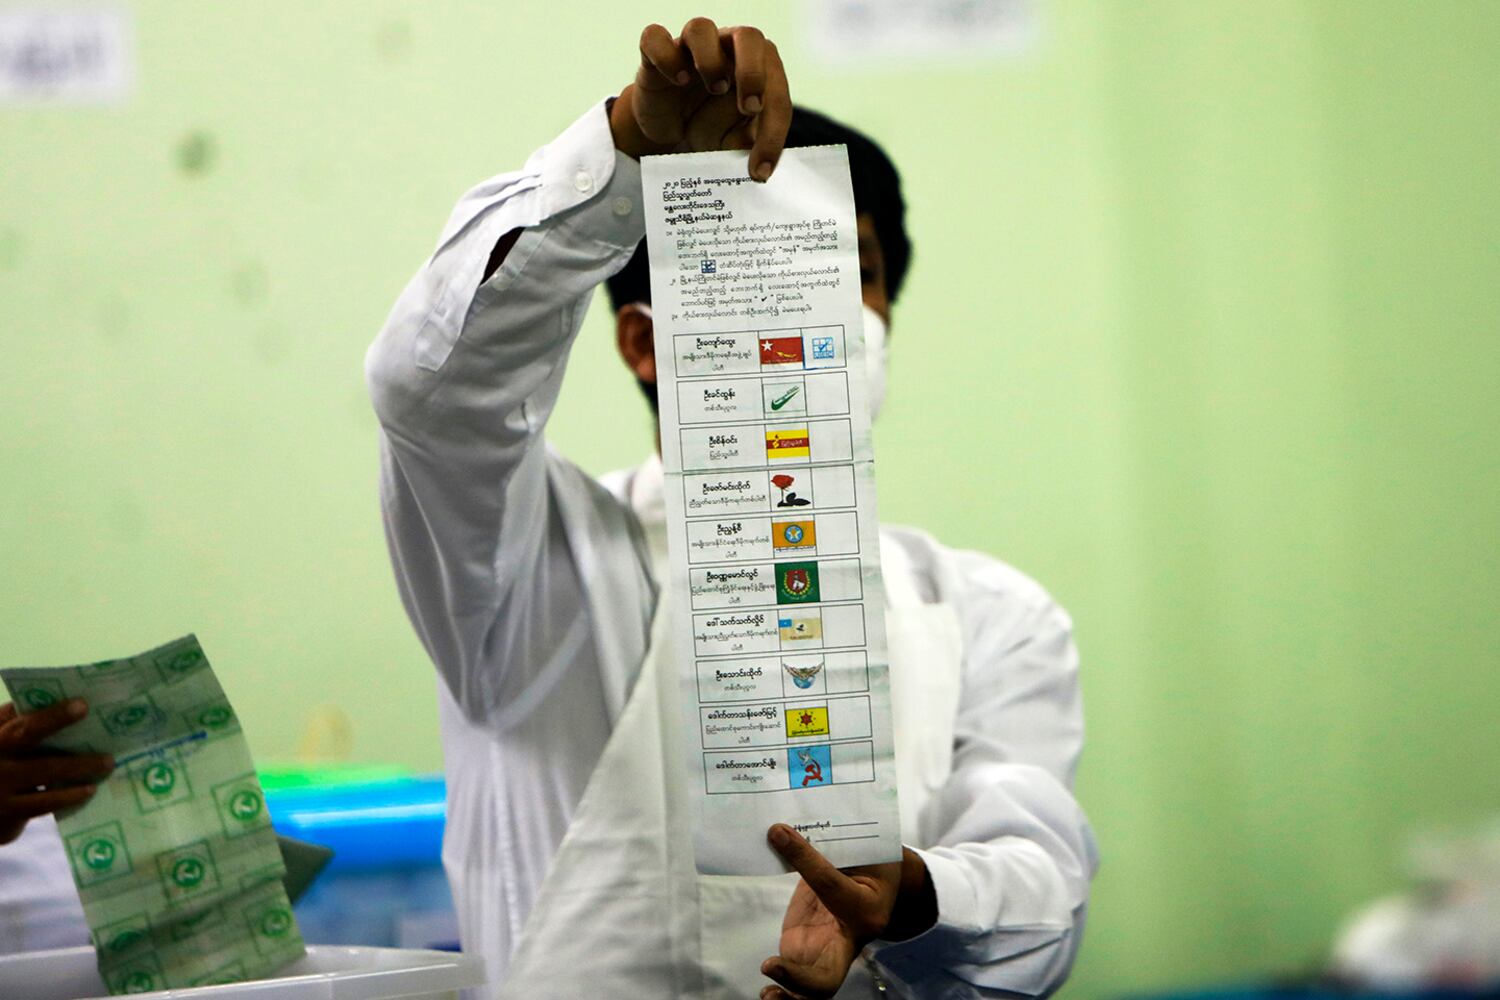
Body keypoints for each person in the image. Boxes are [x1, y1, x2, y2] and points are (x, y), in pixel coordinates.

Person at [366, 17, 1095, 999]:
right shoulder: (536, 571)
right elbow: (433, 392)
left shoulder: (989, 616)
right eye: (746, 261)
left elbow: (1042, 895)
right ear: (643, 343)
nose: (819, 305)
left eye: (854, 272)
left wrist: (920, 890)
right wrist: (625, 153)